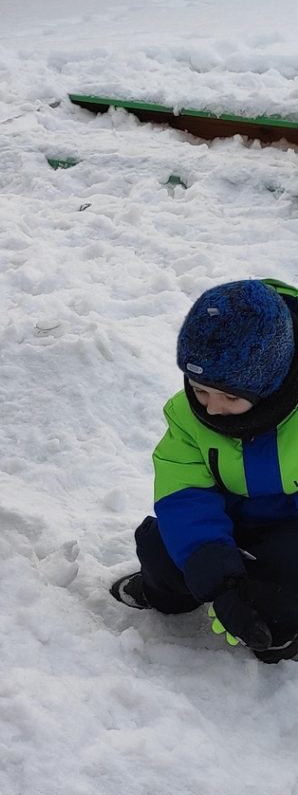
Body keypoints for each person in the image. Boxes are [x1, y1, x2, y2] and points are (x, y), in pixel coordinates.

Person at [111, 278, 298, 660]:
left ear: (269, 385)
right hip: (223, 517)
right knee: (163, 553)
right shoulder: (187, 416)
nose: (211, 408)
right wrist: (218, 577)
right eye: (200, 390)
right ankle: (163, 593)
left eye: (230, 396)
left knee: (276, 606)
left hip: (289, 530)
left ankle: (283, 635)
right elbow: (184, 493)